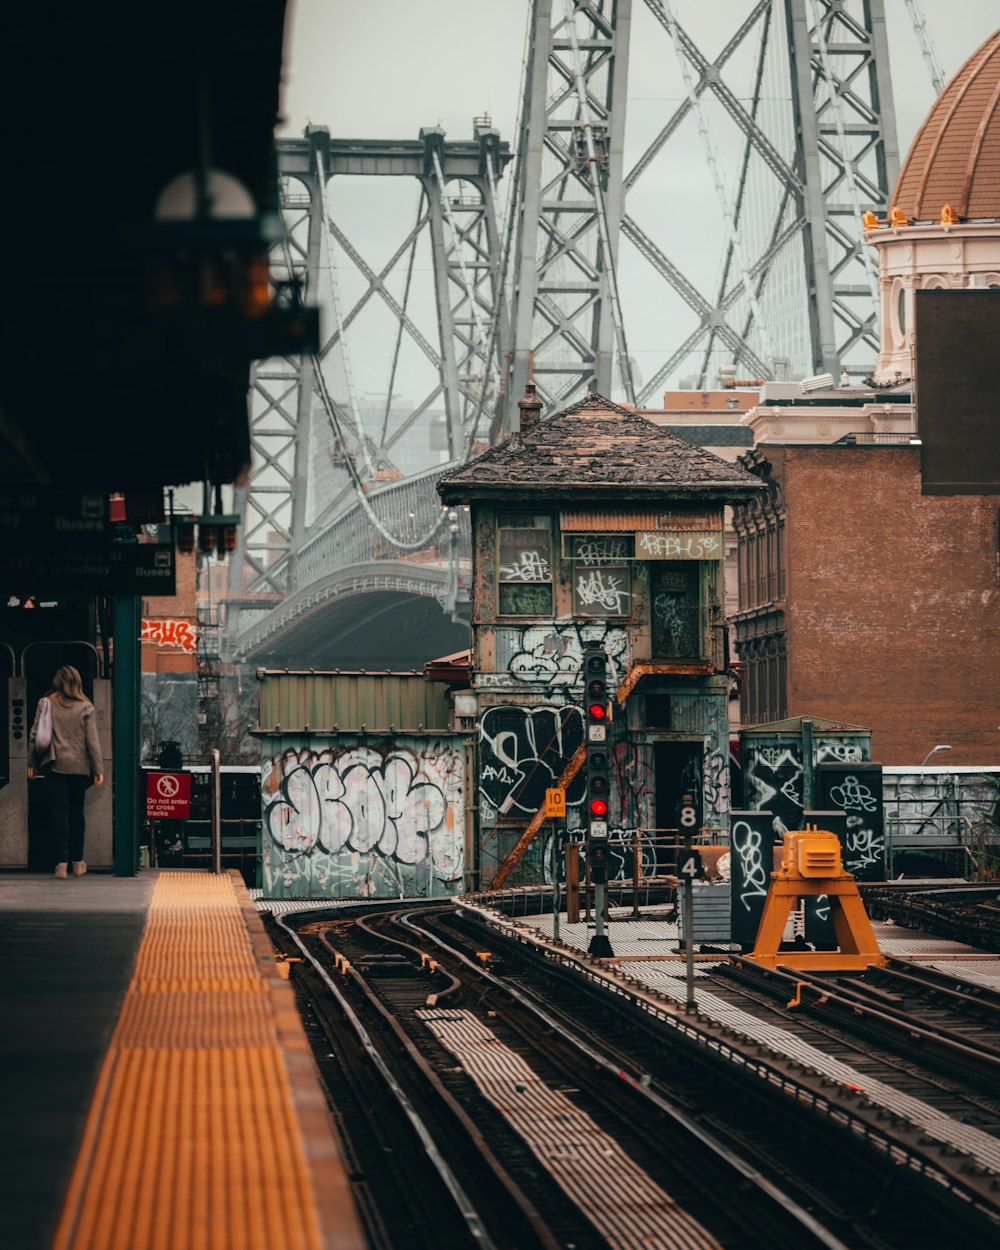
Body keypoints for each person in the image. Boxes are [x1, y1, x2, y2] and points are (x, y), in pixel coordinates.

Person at [29, 666, 104, 878]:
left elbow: (35, 735)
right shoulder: (85, 707)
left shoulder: (46, 703)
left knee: (59, 812)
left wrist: (31, 762)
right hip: (80, 767)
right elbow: (93, 742)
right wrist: (98, 769)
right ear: (77, 682)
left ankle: (61, 864)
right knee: (77, 813)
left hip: (55, 765)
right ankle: (78, 862)